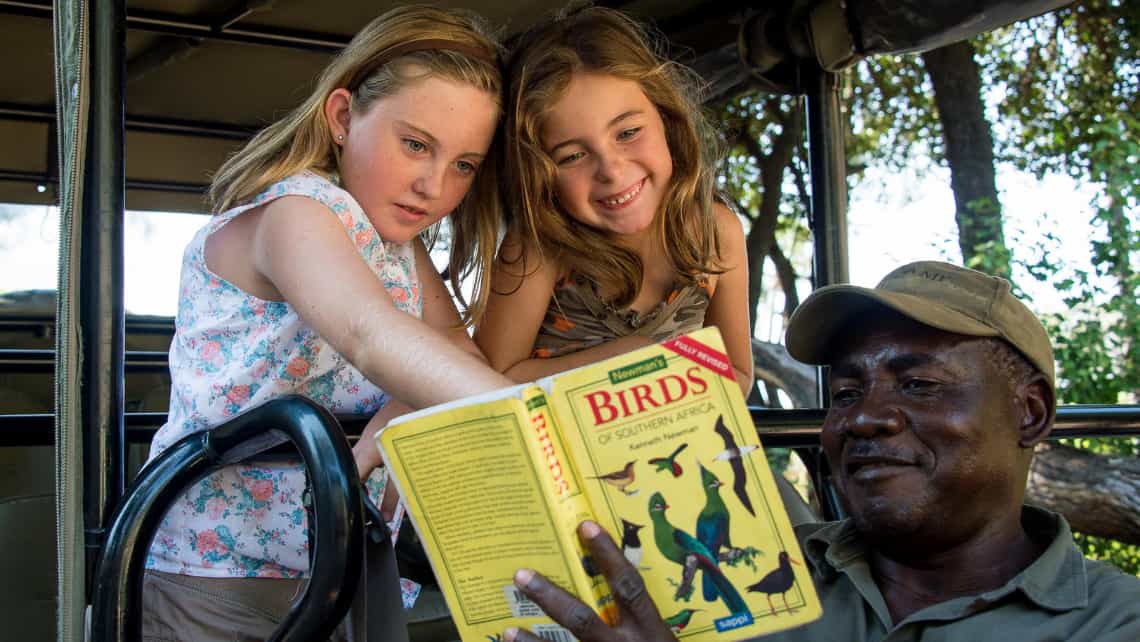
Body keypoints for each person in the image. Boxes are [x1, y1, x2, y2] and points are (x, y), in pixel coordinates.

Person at [503, 260, 1140, 642]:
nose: (864, 417)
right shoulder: (748, 580)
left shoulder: (1110, 624)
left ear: (1029, 414)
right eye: (844, 391)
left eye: (918, 384)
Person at [141, 6, 517, 641]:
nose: (433, 184)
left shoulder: (399, 243)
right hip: (218, 565)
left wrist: (404, 404)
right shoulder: (297, 213)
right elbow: (368, 333)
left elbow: (451, 340)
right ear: (343, 117)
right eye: (416, 144)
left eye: (464, 165)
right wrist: (531, 415)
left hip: (335, 555)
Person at [473, 5, 754, 398]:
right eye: (572, 156)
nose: (611, 169)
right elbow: (484, 383)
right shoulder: (537, 249)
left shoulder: (717, 232)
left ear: (667, 121)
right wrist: (629, 357)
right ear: (539, 172)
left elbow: (737, 374)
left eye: (628, 132)